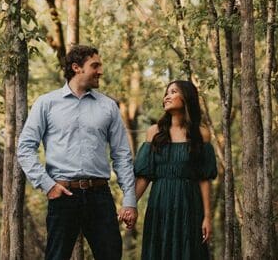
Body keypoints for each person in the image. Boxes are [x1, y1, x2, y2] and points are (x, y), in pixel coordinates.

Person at [17, 44, 137, 260]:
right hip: (63, 195)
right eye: (95, 65)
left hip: (99, 195)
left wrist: (129, 199)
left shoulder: (108, 106)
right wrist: (47, 185)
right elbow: (25, 148)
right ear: (76, 67)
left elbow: (122, 156)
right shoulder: (46, 103)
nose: (100, 71)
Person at [134, 80, 218, 260]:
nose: (167, 96)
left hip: (189, 204)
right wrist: (129, 205)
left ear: (186, 97)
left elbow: (204, 178)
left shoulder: (200, 134)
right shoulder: (154, 132)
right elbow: (145, 176)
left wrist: (207, 217)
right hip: (160, 203)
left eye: (173, 92)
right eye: (166, 93)